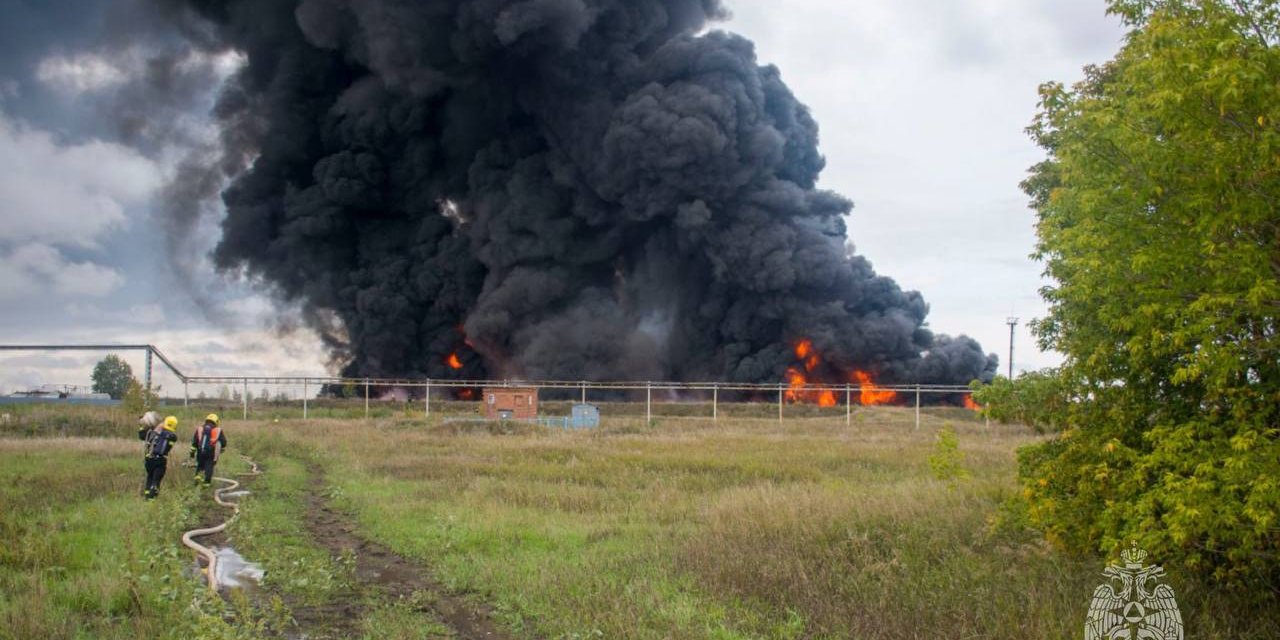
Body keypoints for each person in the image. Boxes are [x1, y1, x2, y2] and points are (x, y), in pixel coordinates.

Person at [138, 412, 179, 500]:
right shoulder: (173, 436)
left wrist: (142, 425)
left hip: (149, 460)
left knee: (150, 478)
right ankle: (152, 499)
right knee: (156, 480)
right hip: (160, 460)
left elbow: (142, 436)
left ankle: (147, 498)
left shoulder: (153, 433)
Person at [190, 413, 227, 485]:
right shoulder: (218, 430)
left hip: (200, 451)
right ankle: (206, 484)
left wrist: (192, 454)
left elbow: (194, 443)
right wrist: (221, 449)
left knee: (200, 465)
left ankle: (197, 479)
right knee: (209, 467)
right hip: (211, 452)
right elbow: (224, 442)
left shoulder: (200, 428)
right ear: (216, 421)